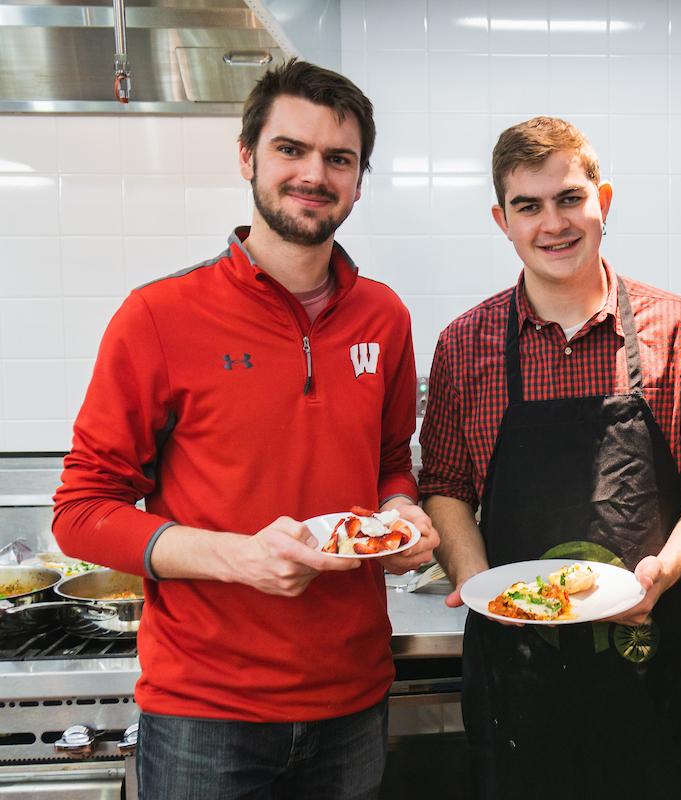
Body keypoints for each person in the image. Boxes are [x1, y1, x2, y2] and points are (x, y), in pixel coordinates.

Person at [52, 59, 438, 799]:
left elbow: (391, 460)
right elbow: (81, 512)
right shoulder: (158, 317)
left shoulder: (384, 318)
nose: (314, 174)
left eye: (339, 158)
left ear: (359, 180)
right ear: (248, 157)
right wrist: (237, 558)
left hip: (353, 701)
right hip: (206, 714)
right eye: (291, 149)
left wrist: (398, 513)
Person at [418, 116, 681, 799]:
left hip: (656, 669)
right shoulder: (464, 345)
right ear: (501, 220)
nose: (554, 223)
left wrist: (669, 565)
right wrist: (483, 586)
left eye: (570, 198)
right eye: (528, 205)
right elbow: (446, 486)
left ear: (602, 200)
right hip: (520, 679)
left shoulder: (678, 327)